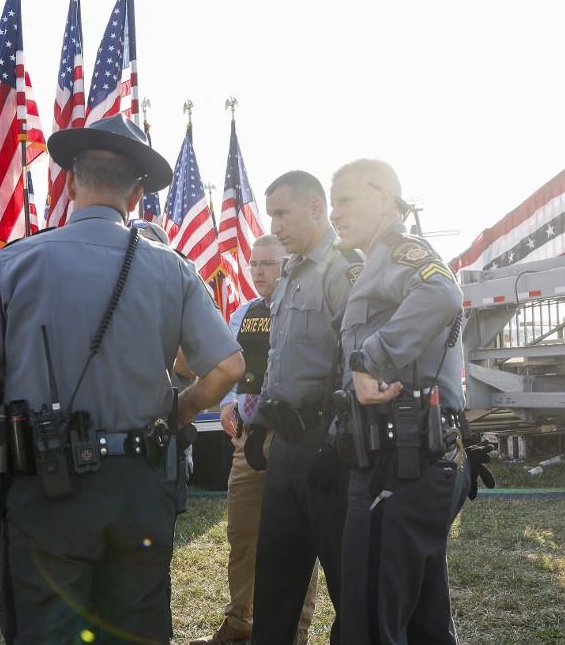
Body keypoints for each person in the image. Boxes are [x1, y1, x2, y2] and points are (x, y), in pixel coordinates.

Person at [0, 114, 245, 644]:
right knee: (136, 627)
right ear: (135, 193)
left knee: (47, 628)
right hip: (142, 481)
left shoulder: (16, 262)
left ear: (69, 182)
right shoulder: (172, 268)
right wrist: (179, 409)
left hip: (50, 481)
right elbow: (228, 368)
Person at [329, 159, 494, 645]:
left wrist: (369, 360)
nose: (335, 213)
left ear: (383, 195)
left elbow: (443, 292)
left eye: (345, 199)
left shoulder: (399, 252)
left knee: (371, 620)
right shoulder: (374, 263)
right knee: (423, 621)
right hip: (410, 463)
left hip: (398, 464)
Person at [247, 171, 362, 645]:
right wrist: (258, 424)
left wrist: (339, 442)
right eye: (270, 213)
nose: (274, 224)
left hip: (326, 448)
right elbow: (280, 359)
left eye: (282, 212)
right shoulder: (291, 269)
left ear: (316, 208)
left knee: (345, 582)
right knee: (275, 576)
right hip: (286, 446)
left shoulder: (343, 268)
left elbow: (359, 362)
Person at [191, 234, 319, 645]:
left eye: (269, 263)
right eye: (254, 263)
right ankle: (240, 621)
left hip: (292, 438)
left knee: (298, 541)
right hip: (247, 441)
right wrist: (227, 402)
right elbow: (230, 365)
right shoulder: (244, 313)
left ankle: (295, 631)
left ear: (288, 264)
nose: (259, 271)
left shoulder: (304, 311)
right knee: (242, 534)